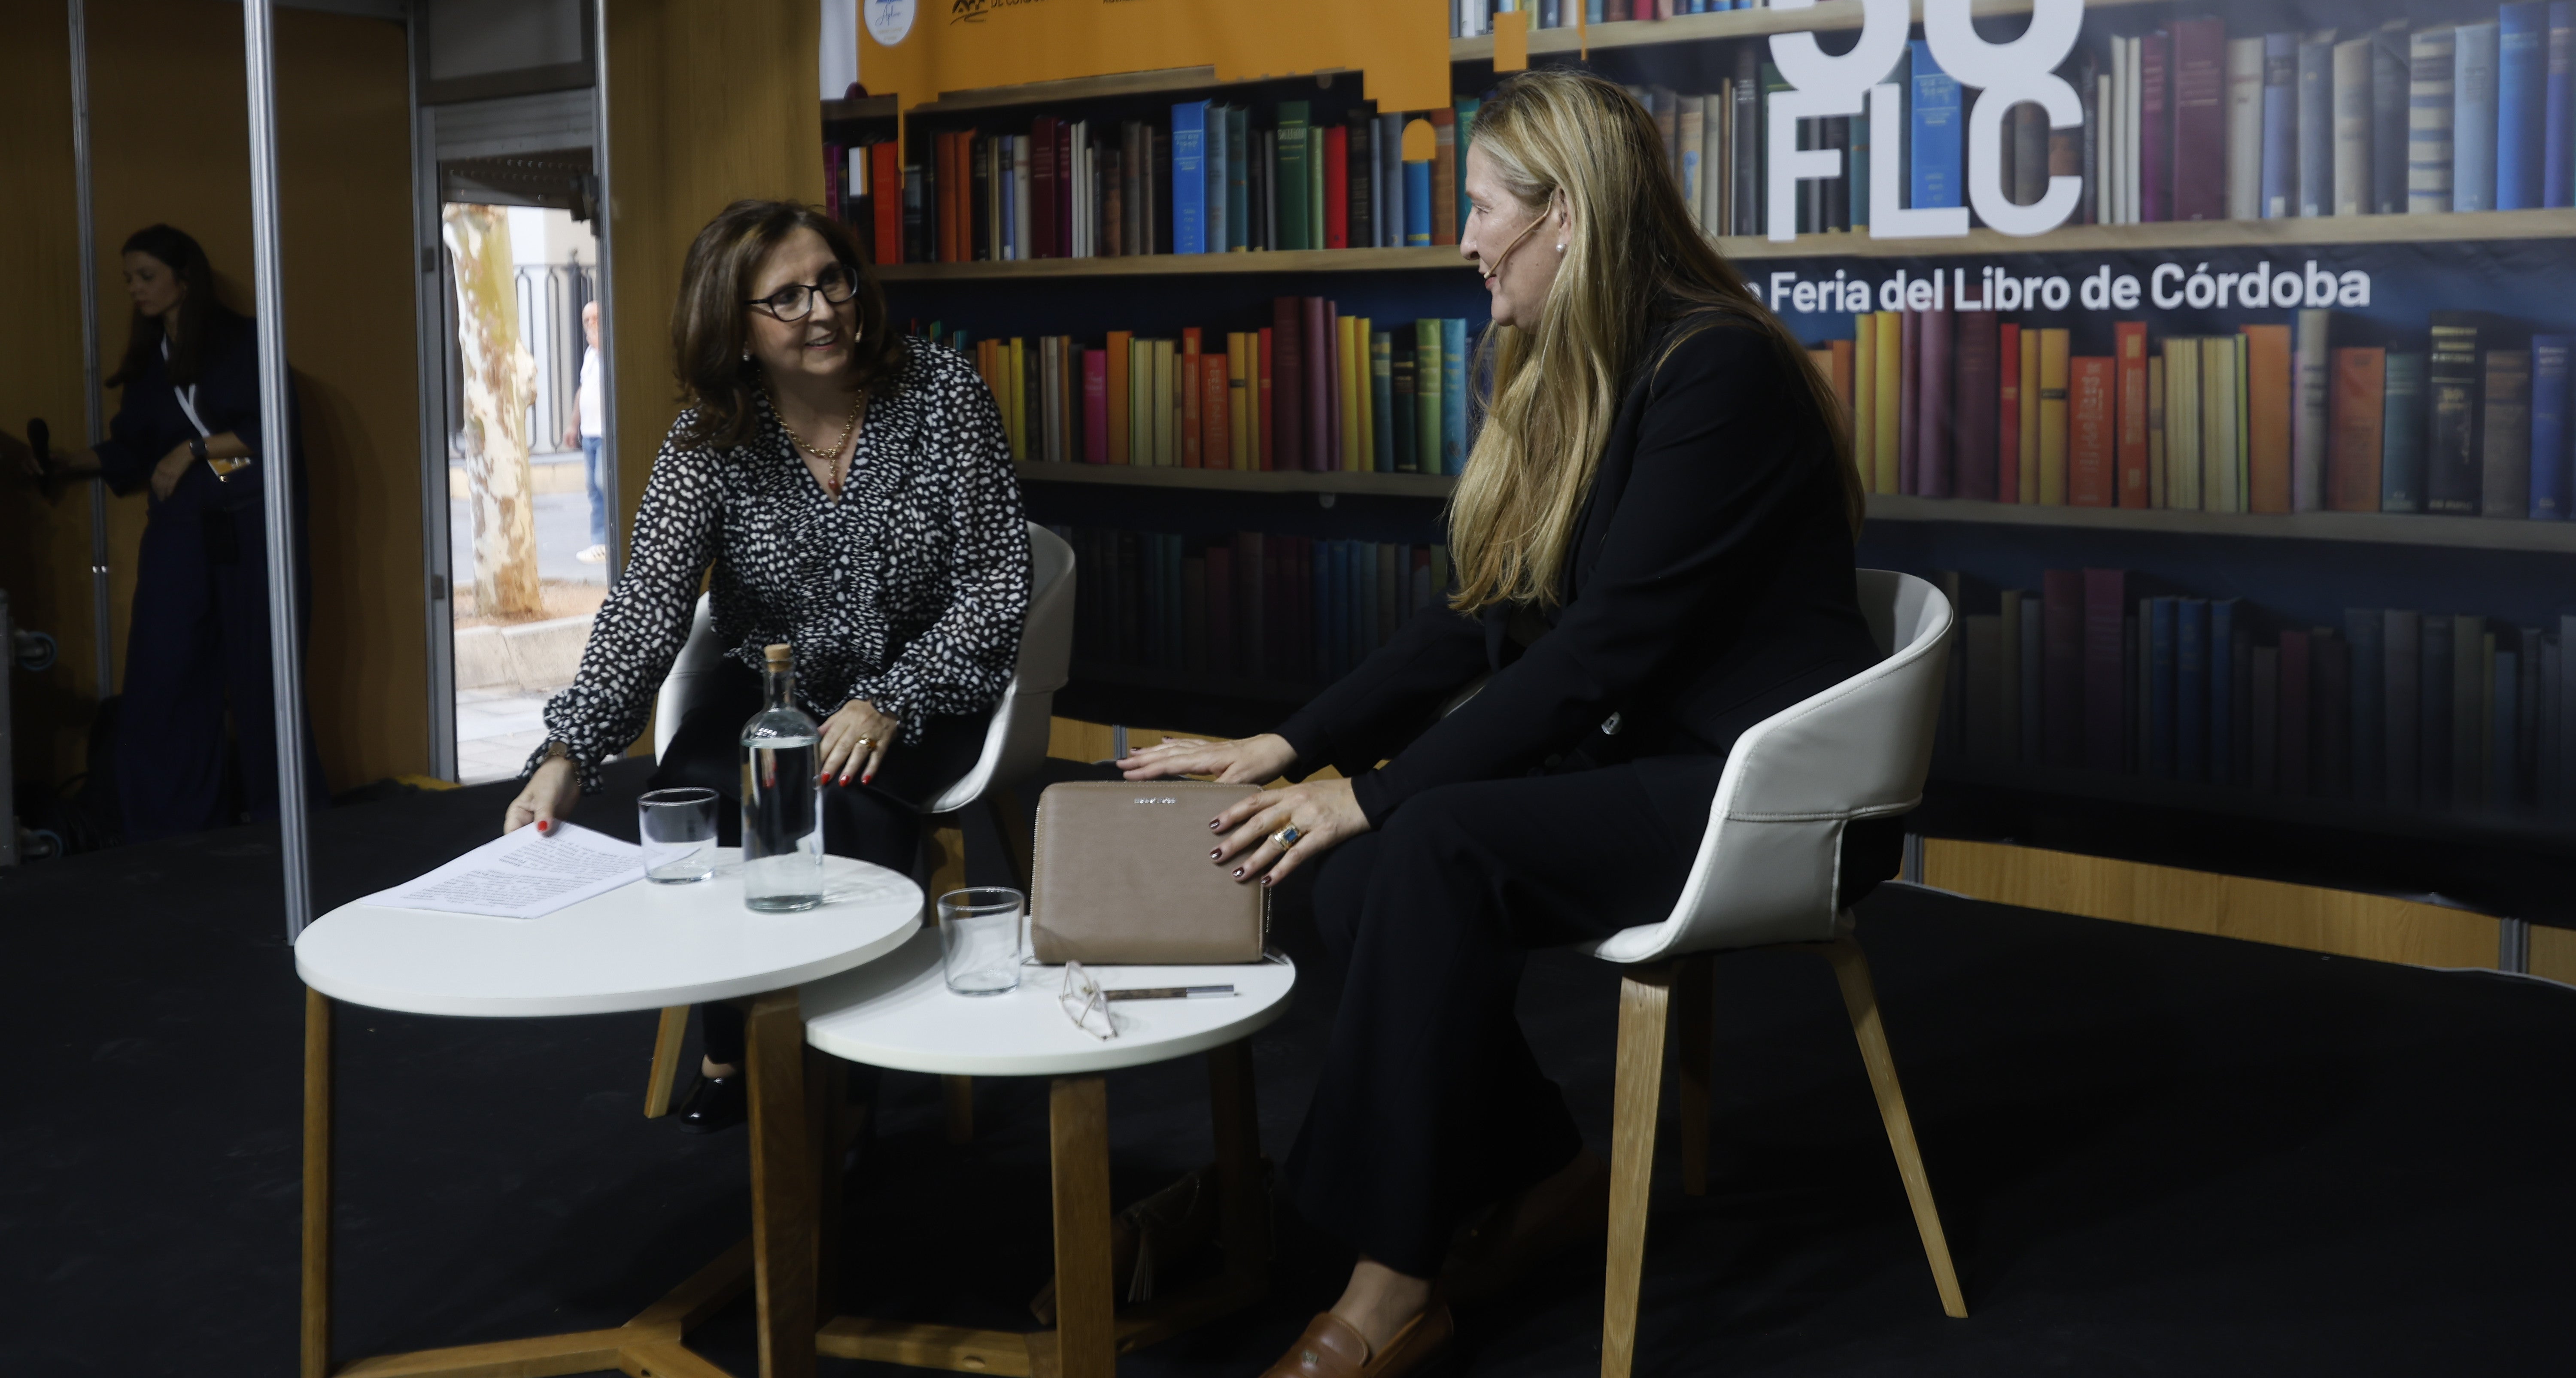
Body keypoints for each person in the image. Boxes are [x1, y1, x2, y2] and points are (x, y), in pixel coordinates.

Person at [1118, 70, 1883, 1378]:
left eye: (1481, 209)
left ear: (1566, 215)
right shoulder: (1569, 363)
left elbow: (1599, 650)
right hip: (1652, 755)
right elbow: (1484, 615)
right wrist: (1293, 748)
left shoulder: (1719, 371)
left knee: (1417, 844)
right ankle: (1546, 1172)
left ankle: (1381, 1282)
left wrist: (1377, 787)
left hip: (1764, 790)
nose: (1465, 240)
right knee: (1363, 874)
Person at [504, 199, 1029, 1130]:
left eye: (832, 279)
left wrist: (892, 698)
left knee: (850, 803)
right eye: (785, 296)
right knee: (696, 787)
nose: (823, 308)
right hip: (775, 680)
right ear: (735, 327)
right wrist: (566, 754)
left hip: (924, 680)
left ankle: (839, 1082)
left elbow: (995, 582)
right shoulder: (707, 440)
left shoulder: (944, 394)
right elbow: (645, 609)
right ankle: (732, 1044)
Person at [41, 224, 327, 839]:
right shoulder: (153, 363)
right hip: (186, 534)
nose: (136, 290)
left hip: (251, 526)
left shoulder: (240, 342)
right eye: (128, 280)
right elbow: (134, 447)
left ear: (184, 277)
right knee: (164, 674)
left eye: (146, 276)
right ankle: (173, 825)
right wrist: (67, 464)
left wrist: (192, 451)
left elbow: (271, 426)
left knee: (261, 678)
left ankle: (288, 823)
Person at [564, 299, 608, 565]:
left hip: (606, 433)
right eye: (587, 321)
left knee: (606, 484)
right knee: (593, 488)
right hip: (590, 433)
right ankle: (599, 541)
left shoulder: (608, 350)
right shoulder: (590, 355)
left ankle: (609, 540)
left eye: (597, 319)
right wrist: (573, 424)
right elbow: (583, 390)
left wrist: (600, 343)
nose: (591, 325)